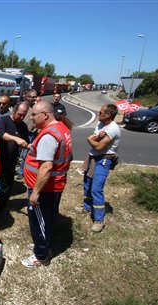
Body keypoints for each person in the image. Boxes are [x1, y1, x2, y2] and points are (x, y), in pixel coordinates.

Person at [21, 101, 73, 268]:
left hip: (46, 188)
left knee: (39, 222)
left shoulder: (48, 136)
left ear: (45, 115)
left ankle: (41, 255)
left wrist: (35, 192)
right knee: (46, 219)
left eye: (34, 114)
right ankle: (41, 245)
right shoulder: (61, 128)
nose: (31, 117)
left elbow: (46, 166)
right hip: (53, 186)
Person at [75, 104, 121, 233]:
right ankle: (87, 206)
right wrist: (94, 139)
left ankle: (99, 219)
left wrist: (90, 139)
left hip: (104, 159)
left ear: (108, 115)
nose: (98, 113)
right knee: (88, 183)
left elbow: (99, 147)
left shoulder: (112, 129)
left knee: (96, 189)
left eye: (101, 112)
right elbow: (96, 140)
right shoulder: (101, 124)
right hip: (94, 158)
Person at [0, 102, 29, 214]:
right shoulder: (3, 120)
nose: (22, 117)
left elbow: (26, 142)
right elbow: (1, 133)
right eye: (19, 114)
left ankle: (1, 208)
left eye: (24, 115)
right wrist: (16, 139)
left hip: (10, 161)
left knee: (7, 186)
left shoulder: (23, 126)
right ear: (13, 111)